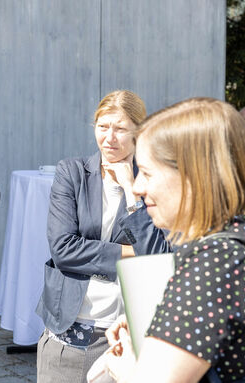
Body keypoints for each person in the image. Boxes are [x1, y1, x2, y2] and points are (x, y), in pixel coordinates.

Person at [104, 97, 245, 382]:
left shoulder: (215, 260)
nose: (139, 187)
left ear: (192, 176)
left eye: (146, 173)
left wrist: (126, 369)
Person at [35, 90, 170, 383]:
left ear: (139, 132)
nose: (110, 137)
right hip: (70, 328)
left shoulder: (156, 181)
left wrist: (131, 189)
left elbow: (160, 255)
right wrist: (131, 254)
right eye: (102, 126)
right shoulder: (72, 172)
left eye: (120, 128)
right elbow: (63, 249)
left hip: (127, 333)